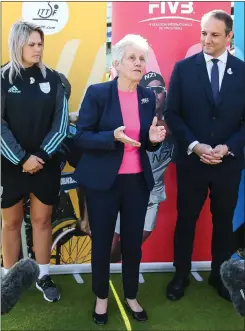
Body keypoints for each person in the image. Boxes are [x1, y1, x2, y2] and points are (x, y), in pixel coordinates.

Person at [73, 34, 166, 324]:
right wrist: (111, 137)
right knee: (102, 242)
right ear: (117, 63)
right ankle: (101, 298)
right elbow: (82, 136)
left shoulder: (147, 97)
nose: (139, 63)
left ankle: (131, 295)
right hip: (104, 183)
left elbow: (146, 144)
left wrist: (152, 141)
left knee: (131, 244)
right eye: (132, 58)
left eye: (142, 58)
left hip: (136, 182)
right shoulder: (98, 93)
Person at [164, 10, 245, 302]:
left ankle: (219, 277)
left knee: (223, 222)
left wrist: (228, 147)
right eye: (203, 33)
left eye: (213, 34)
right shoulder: (184, 69)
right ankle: (180, 275)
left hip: (228, 163)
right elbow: (171, 112)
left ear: (228, 36)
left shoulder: (242, 71)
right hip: (192, 161)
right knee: (186, 219)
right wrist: (195, 145)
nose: (206, 40)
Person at [1, 21, 68, 302]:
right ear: (18, 44)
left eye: (40, 44)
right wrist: (20, 158)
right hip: (11, 164)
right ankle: (9, 281)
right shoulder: (3, 78)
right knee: (11, 223)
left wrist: (39, 156)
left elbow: (61, 124)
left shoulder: (55, 79)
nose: (38, 49)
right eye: (31, 44)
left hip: (45, 163)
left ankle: (43, 276)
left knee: (42, 221)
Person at [111, 71, 174, 262]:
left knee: (132, 243)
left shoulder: (175, 121)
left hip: (153, 193)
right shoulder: (132, 116)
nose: (154, 94)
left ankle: (116, 267)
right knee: (112, 244)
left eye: (158, 89)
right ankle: (107, 273)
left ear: (165, 93)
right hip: (127, 187)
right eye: (149, 89)